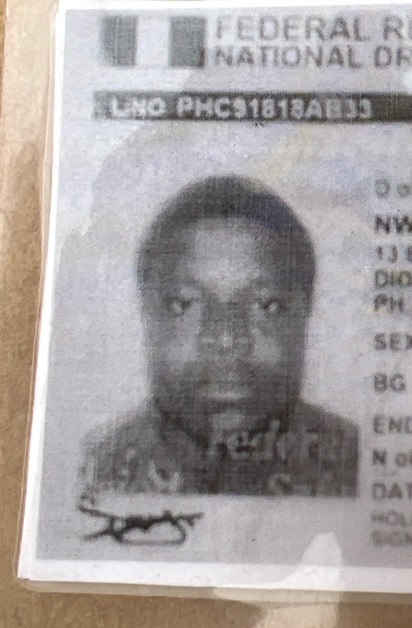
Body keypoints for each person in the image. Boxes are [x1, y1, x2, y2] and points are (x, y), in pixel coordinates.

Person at [80, 176, 358, 498]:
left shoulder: (359, 465)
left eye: (265, 305)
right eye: (184, 304)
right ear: (146, 312)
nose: (225, 338)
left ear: (306, 310)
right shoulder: (89, 472)